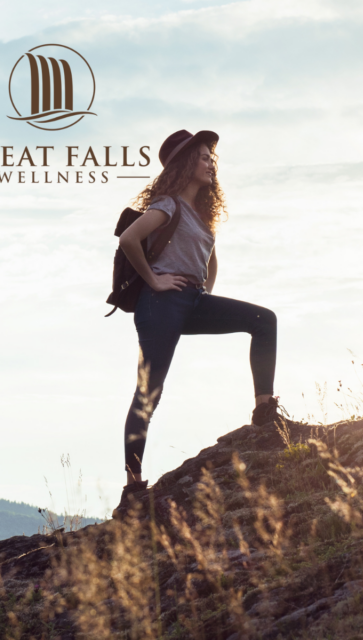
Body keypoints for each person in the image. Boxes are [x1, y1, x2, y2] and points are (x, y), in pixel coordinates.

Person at [115, 129, 287, 511]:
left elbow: (211, 259)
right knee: (148, 394)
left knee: (264, 320)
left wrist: (205, 292)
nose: (211, 164)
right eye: (204, 157)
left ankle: (264, 414)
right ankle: (133, 487)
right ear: (185, 164)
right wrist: (154, 280)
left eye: (212, 158)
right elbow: (128, 239)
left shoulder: (201, 215)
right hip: (160, 304)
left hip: (191, 300)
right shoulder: (168, 204)